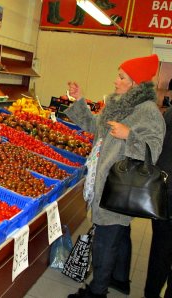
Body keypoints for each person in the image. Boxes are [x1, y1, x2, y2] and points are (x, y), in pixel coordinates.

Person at [66, 54, 166, 298]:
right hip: (106, 183)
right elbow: (94, 126)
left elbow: (155, 150)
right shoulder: (119, 105)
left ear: (135, 83)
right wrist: (78, 100)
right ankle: (120, 280)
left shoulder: (148, 111)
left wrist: (129, 135)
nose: (115, 81)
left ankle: (97, 290)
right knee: (118, 234)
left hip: (119, 185)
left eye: (121, 77)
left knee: (105, 240)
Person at [144, 106, 172, 298]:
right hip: (167, 192)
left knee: (160, 251)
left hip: (166, 193)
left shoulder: (169, 116)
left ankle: (151, 294)